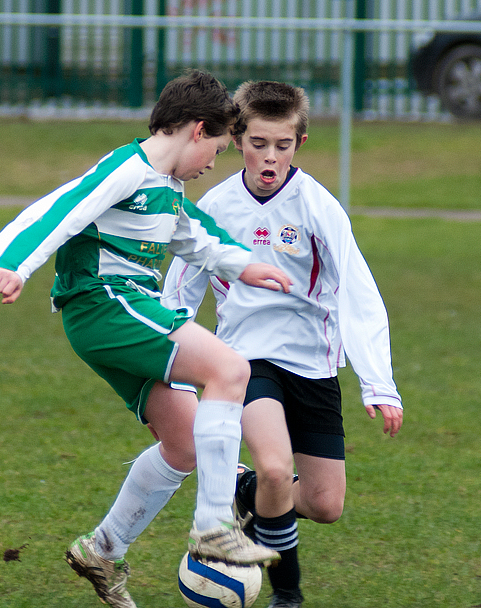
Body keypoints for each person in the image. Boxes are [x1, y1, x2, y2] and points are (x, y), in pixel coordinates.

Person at [0, 70, 292, 608]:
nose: (214, 163)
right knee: (230, 370)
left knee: (185, 442)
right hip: (103, 303)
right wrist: (13, 263)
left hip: (122, 313)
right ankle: (215, 529)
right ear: (197, 129)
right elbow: (62, 209)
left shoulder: (167, 189)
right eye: (216, 148)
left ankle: (103, 549)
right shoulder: (127, 168)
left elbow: (199, 238)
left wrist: (247, 266)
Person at [162, 80, 403, 608]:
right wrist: (170, 366)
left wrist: (378, 383)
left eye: (283, 145)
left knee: (323, 503)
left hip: (313, 365)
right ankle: (287, 596)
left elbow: (357, 292)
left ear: (300, 143)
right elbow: (181, 289)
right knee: (275, 468)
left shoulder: (318, 207)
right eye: (258, 143)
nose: (270, 157)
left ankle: (242, 491)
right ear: (236, 139)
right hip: (245, 360)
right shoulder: (216, 206)